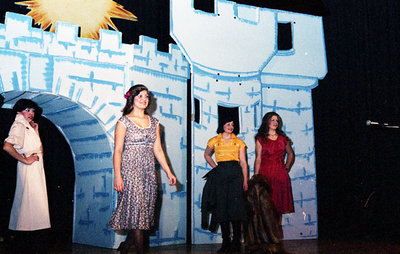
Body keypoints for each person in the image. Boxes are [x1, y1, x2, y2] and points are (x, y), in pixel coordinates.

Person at [109, 84, 177, 254]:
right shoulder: (123, 122)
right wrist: (118, 176)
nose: (144, 100)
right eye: (140, 96)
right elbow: (117, 151)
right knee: (138, 215)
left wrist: (169, 172)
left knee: (141, 214)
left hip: (148, 172)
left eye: (146, 96)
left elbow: (158, 150)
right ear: (132, 99)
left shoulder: (154, 122)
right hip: (130, 171)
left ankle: (125, 247)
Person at [3, 99, 51, 253]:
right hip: (29, 171)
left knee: (33, 211)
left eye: (32, 110)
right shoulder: (19, 125)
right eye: (27, 110)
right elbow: (7, 146)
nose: (31, 113)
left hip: (36, 171)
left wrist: (36, 131)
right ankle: (23, 247)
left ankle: (28, 246)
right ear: (19, 111)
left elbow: (40, 151)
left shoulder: (27, 126)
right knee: (29, 210)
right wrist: (25, 159)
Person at [204, 115, 248, 253]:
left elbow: (243, 162)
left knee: (236, 208)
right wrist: (215, 167)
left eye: (233, 125)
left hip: (236, 175)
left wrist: (245, 180)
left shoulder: (239, 142)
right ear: (222, 125)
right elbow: (207, 155)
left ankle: (236, 242)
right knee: (221, 207)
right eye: (228, 124)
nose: (230, 127)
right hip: (221, 174)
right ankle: (226, 242)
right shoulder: (214, 140)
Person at [254, 112, 295, 237]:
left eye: (277, 120)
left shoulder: (283, 139)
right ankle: (266, 237)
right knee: (265, 207)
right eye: (272, 120)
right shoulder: (260, 139)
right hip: (265, 175)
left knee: (278, 207)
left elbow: (291, 155)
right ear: (267, 122)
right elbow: (258, 159)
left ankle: (276, 236)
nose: (275, 122)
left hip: (280, 175)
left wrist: (286, 167)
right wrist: (256, 177)